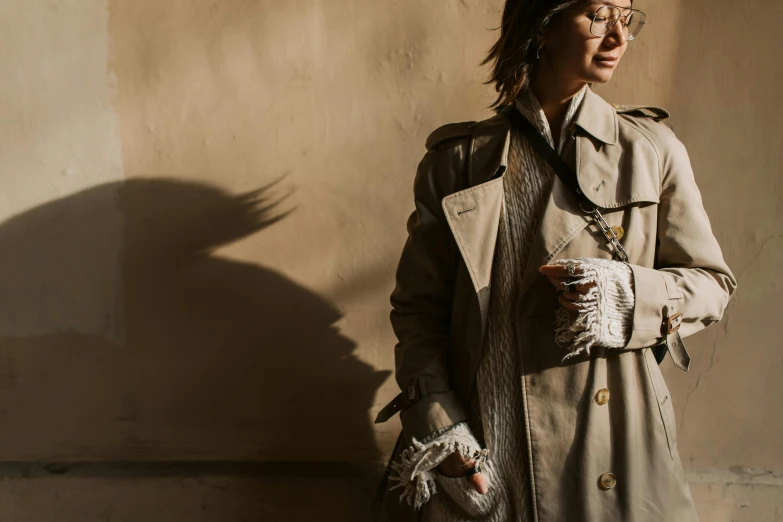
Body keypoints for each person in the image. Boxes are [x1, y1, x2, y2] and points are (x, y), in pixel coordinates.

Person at [373, 1, 737, 521]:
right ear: (542, 24)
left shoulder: (649, 150)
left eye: (627, 18)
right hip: (483, 449)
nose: (618, 36)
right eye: (598, 15)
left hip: (612, 449)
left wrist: (627, 295)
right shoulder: (457, 161)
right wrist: (440, 425)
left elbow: (712, 284)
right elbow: (418, 311)